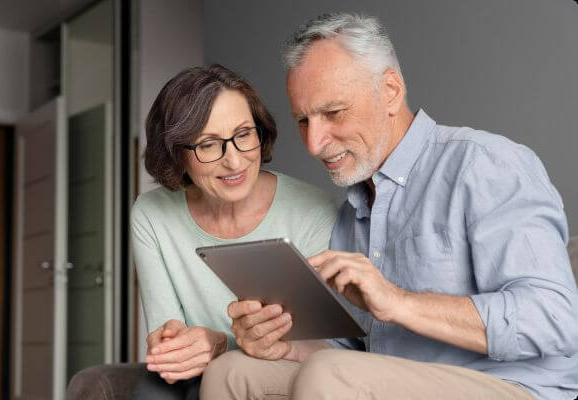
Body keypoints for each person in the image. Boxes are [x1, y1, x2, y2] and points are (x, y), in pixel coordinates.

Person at [200, 13, 578, 400]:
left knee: (332, 375)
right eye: (303, 120)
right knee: (231, 373)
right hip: (393, 380)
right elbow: (357, 353)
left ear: (391, 91)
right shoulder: (352, 213)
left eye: (332, 113)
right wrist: (283, 346)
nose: (314, 144)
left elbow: (554, 318)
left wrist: (398, 302)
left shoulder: (485, 164)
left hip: (517, 388)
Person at [130, 64, 338, 400]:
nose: (234, 161)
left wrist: (219, 343)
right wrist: (171, 342)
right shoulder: (151, 214)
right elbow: (167, 333)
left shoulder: (313, 211)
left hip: (281, 368)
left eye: (243, 135)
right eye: (209, 145)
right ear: (176, 154)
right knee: (155, 387)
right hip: (194, 376)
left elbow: (322, 345)